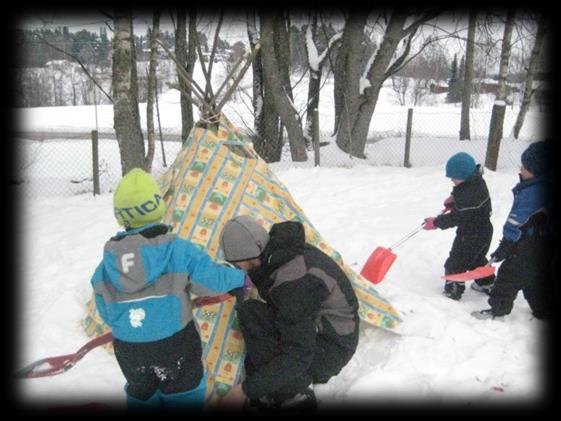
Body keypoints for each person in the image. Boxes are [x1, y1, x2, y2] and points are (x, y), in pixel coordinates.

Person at [90, 168, 246, 411]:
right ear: (157, 207)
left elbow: (107, 311)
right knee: (183, 395)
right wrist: (239, 278)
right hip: (175, 346)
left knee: (142, 396)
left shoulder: (107, 264)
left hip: (130, 350)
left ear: (121, 216)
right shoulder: (176, 250)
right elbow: (211, 280)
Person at [217, 216, 360, 412]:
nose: (236, 268)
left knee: (262, 328)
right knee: (250, 312)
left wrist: (244, 391)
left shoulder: (293, 283)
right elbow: (264, 278)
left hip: (332, 348)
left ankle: (295, 394)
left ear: (250, 258)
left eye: (236, 264)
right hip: (318, 327)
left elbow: (299, 354)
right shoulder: (280, 250)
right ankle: (272, 385)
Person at [472, 141, 553, 320]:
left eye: (525, 167)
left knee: (508, 276)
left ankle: (497, 310)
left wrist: (506, 244)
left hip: (524, 244)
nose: (521, 170)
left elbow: (516, 222)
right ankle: (543, 310)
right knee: (535, 278)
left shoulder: (531, 192)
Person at [423, 152, 495, 300]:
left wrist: (436, 222)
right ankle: (487, 283)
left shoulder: (470, 194)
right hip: (483, 230)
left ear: (464, 176)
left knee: (456, 262)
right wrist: (455, 200)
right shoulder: (475, 181)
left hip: (471, 234)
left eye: (454, 178)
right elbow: (463, 196)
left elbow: (457, 217)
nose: (452, 180)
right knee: (476, 259)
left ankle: (453, 290)